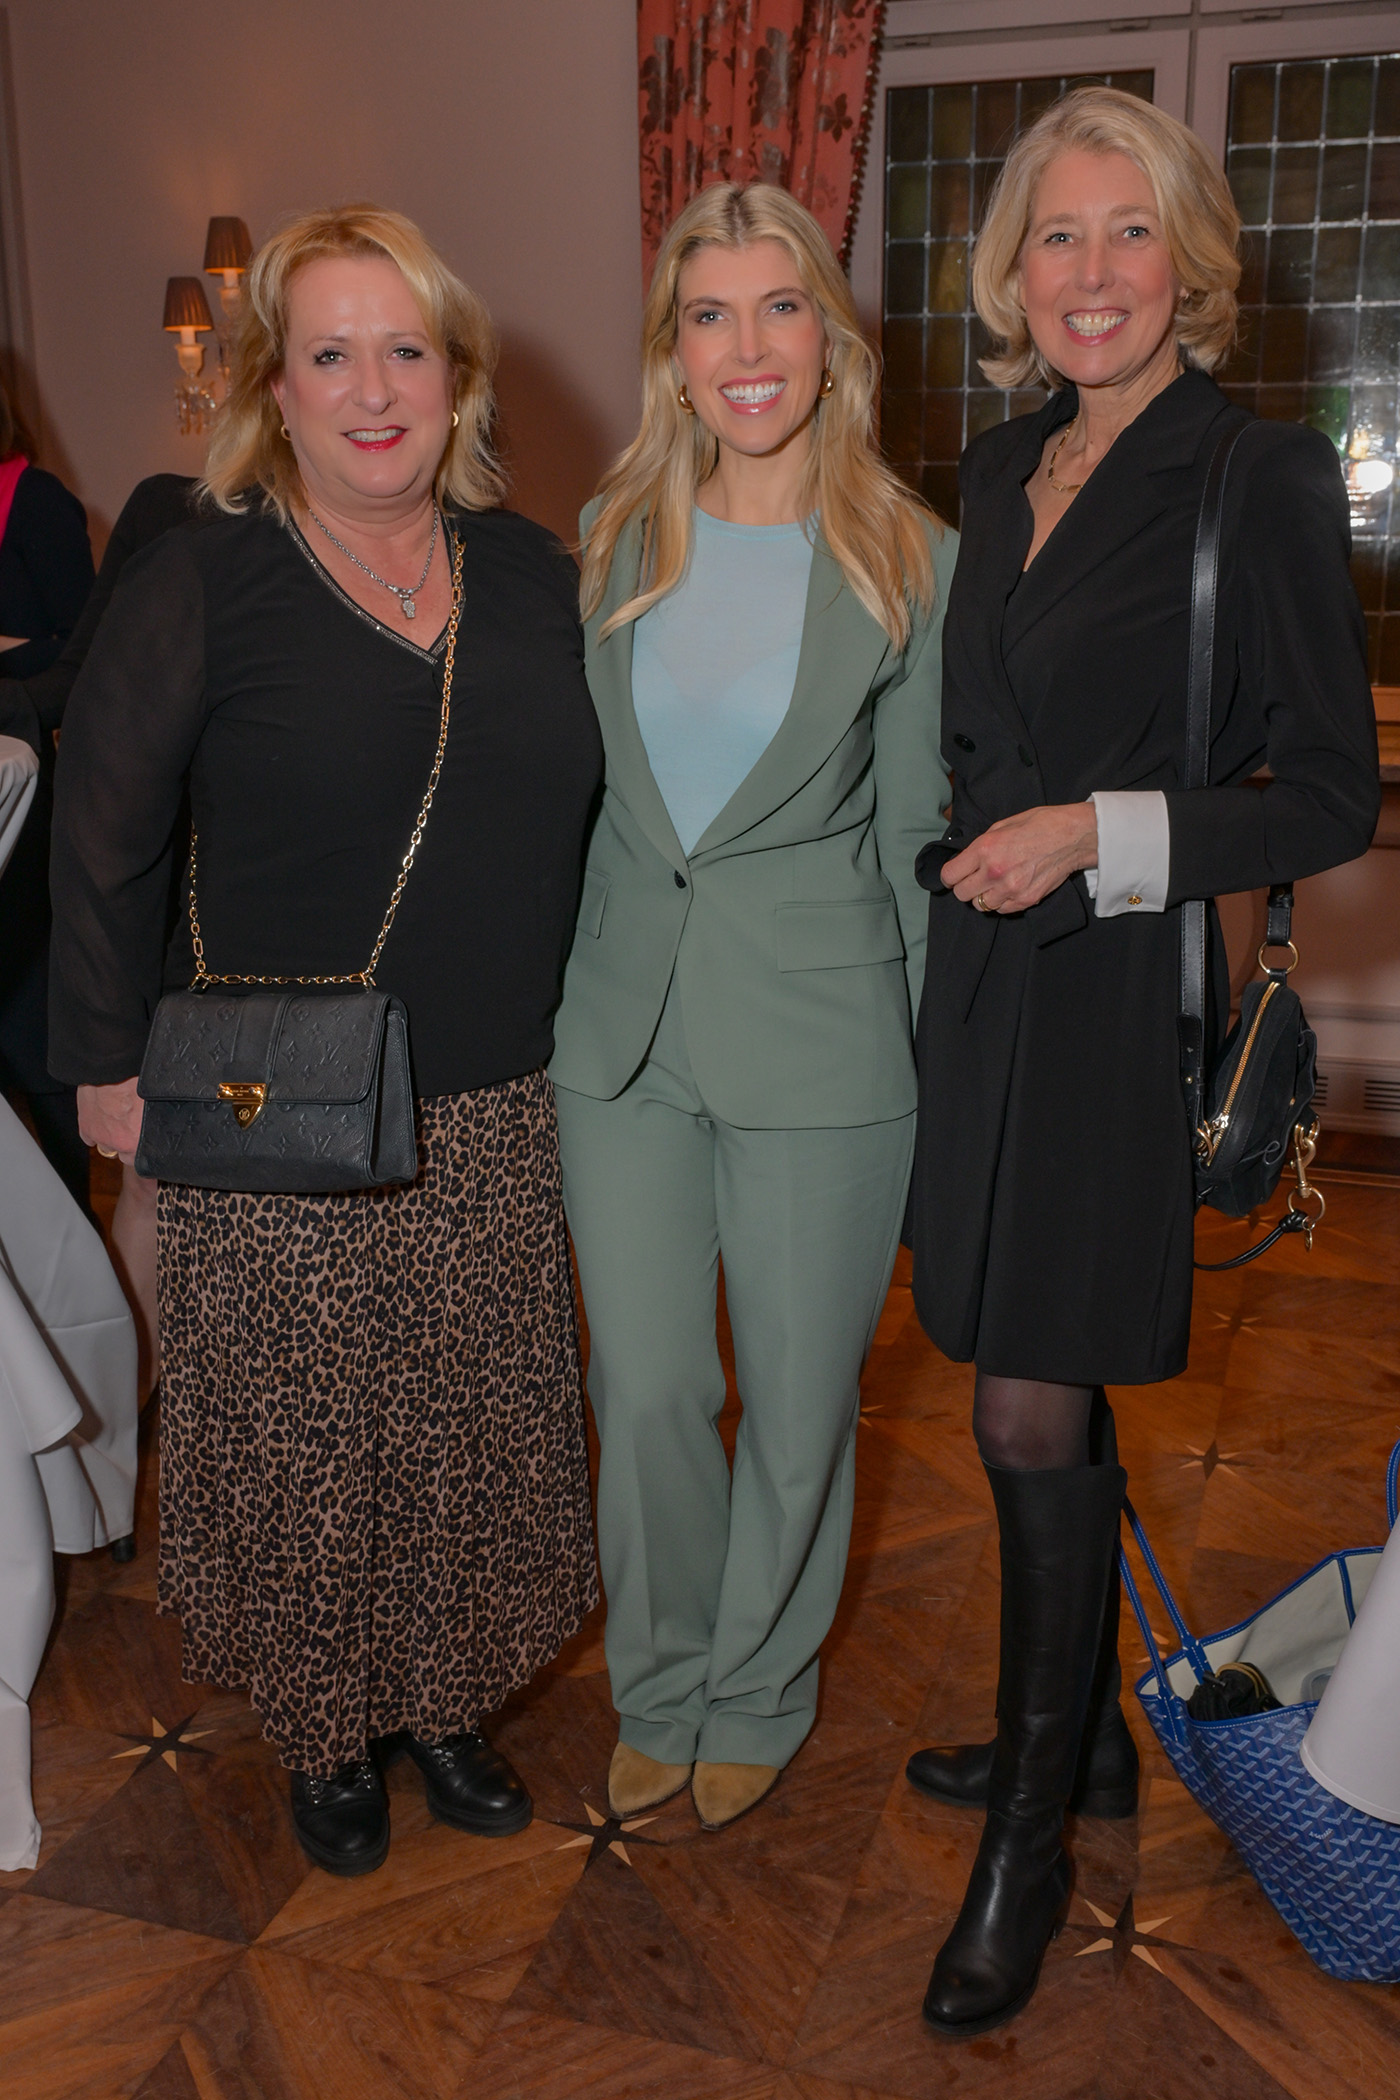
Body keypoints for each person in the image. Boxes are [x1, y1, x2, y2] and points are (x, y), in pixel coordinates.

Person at [902, 87, 1380, 2037]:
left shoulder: (1251, 475)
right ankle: (1081, 1733)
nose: (1088, 270)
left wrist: (1100, 834)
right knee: (1021, 1373)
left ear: (1189, 259)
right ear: (1009, 269)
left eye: (1126, 230)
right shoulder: (998, 460)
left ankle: (1028, 1842)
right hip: (983, 986)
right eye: (1054, 233)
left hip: (1115, 1001)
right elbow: (972, 734)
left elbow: (1330, 794)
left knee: (1030, 1408)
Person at [47, 204, 602, 1876]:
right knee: (303, 1436)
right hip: (273, 1098)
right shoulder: (206, 573)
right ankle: (325, 1730)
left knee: (469, 1422)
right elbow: (102, 829)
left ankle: (446, 1702)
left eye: (406, 351)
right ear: (274, 389)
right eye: (331, 354)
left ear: (459, 378)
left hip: (496, 1091)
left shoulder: (533, 572)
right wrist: (104, 1065)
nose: (373, 390)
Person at [552, 182, 956, 1833]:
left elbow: (919, 837)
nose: (748, 347)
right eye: (709, 313)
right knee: (648, 1388)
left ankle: (760, 1687)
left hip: (825, 1044)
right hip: (621, 1035)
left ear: (831, 338)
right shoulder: (610, 537)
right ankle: (660, 1686)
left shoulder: (911, 559)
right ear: (672, 350)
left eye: (781, 306)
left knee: (797, 1408)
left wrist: (934, 1079)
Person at [13, 474, 201, 1403]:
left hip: (327, 906)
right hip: (173, 891)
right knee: (152, 1173)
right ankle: (134, 1416)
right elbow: (82, 676)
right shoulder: (172, 508)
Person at [0, 378, 95, 1213]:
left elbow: (85, 648)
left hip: (25, 802)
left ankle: (75, 1244)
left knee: (32, 1033)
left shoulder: (35, 500)